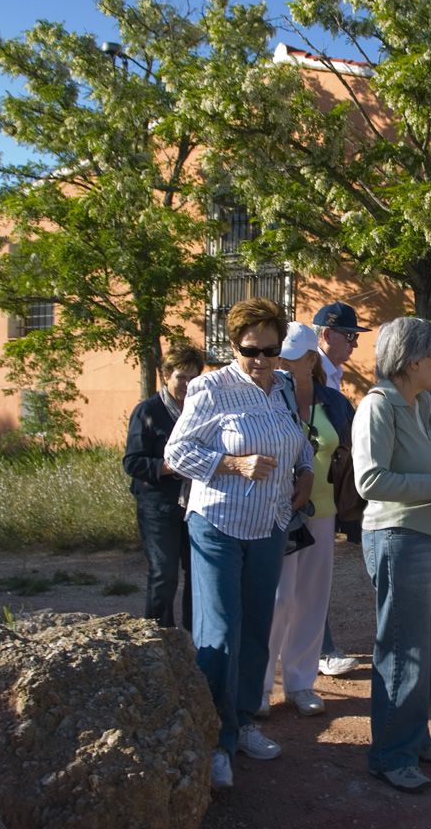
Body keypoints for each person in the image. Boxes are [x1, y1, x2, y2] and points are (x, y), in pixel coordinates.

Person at [165, 298, 315, 790]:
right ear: (233, 347)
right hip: (218, 523)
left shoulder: (284, 385)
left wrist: (306, 472)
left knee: (255, 629)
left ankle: (244, 720)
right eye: (251, 351)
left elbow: (297, 439)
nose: (261, 360)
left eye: (270, 350)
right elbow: (177, 453)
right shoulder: (210, 388)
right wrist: (233, 464)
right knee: (221, 632)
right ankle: (215, 740)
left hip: (270, 523)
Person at [352, 316, 431, 794]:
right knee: (404, 648)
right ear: (412, 360)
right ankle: (390, 755)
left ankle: (412, 736)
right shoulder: (378, 406)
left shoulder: (422, 405)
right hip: (400, 537)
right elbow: (369, 480)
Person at [260, 322, 357, 718]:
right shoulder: (266, 399)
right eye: (279, 358)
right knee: (278, 599)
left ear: (311, 360)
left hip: (323, 512)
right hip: (278, 511)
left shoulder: (334, 402)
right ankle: (260, 686)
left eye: (290, 359)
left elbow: (348, 452)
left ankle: (300, 684)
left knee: (312, 599)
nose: (280, 365)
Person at [122, 342, 205, 630]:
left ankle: (194, 640)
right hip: (158, 506)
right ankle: (158, 637)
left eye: (193, 377)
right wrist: (169, 467)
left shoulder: (201, 410)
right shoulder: (148, 411)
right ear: (166, 375)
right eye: (181, 377)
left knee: (198, 574)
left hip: (196, 504)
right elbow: (132, 463)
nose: (187, 384)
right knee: (164, 573)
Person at [313, 300, 371, 677]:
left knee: (313, 574)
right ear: (326, 334)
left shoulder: (332, 374)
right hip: (307, 489)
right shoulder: (313, 373)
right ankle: (321, 650)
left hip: (326, 489)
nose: (354, 344)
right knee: (307, 575)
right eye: (349, 336)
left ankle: (317, 647)